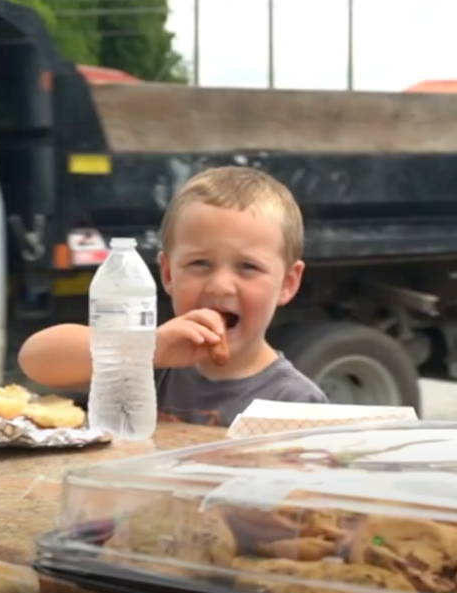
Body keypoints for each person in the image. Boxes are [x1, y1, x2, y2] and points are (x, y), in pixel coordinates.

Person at [19, 166, 327, 427]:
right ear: (168, 274)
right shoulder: (150, 367)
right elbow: (35, 358)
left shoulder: (296, 402)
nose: (220, 285)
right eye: (199, 264)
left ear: (287, 283)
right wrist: (148, 348)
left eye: (248, 267)